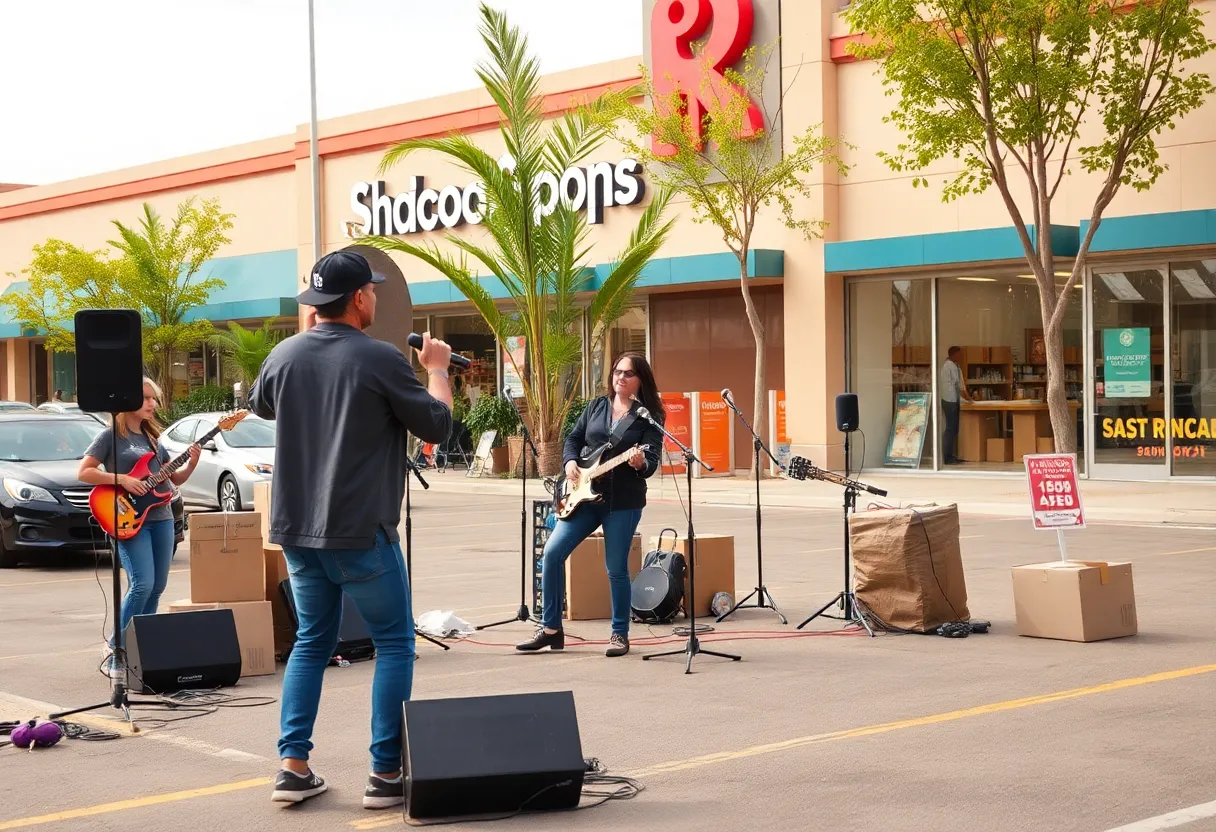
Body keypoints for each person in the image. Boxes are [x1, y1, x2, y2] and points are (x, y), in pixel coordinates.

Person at [249, 250, 453, 810]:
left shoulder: (283, 354)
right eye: (374, 291)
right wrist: (435, 368)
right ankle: (384, 775)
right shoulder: (381, 358)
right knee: (395, 645)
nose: (377, 299)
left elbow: (259, 403)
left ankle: (292, 767)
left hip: (296, 531)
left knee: (312, 642)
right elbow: (436, 423)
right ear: (359, 298)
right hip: (361, 531)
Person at [516, 352, 664, 658]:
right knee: (552, 555)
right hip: (583, 496)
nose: (620, 377)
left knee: (616, 569)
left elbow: (651, 462)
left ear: (640, 380)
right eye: (617, 371)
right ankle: (551, 630)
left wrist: (639, 463)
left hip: (622, 502)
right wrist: (570, 461)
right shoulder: (597, 406)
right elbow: (573, 438)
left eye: (628, 373)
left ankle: (619, 634)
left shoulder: (648, 416)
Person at [77, 377, 201, 675]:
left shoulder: (153, 439)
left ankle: (140, 645)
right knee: (141, 584)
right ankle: (115, 649)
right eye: (146, 398)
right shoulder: (109, 437)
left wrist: (192, 463)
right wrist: (122, 479)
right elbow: (85, 473)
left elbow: (173, 479)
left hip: (162, 518)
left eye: (153, 399)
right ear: (129, 402)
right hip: (128, 518)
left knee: (157, 587)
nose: (152, 404)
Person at [941, 346, 972, 464]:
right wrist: (969, 399)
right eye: (959, 354)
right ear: (953, 354)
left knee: (952, 429)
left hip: (947, 399)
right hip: (951, 400)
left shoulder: (948, 365)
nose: (961, 356)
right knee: (951, 429)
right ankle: (948, 457)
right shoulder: (951, 366)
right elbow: (959, 385)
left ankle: (949, 455)